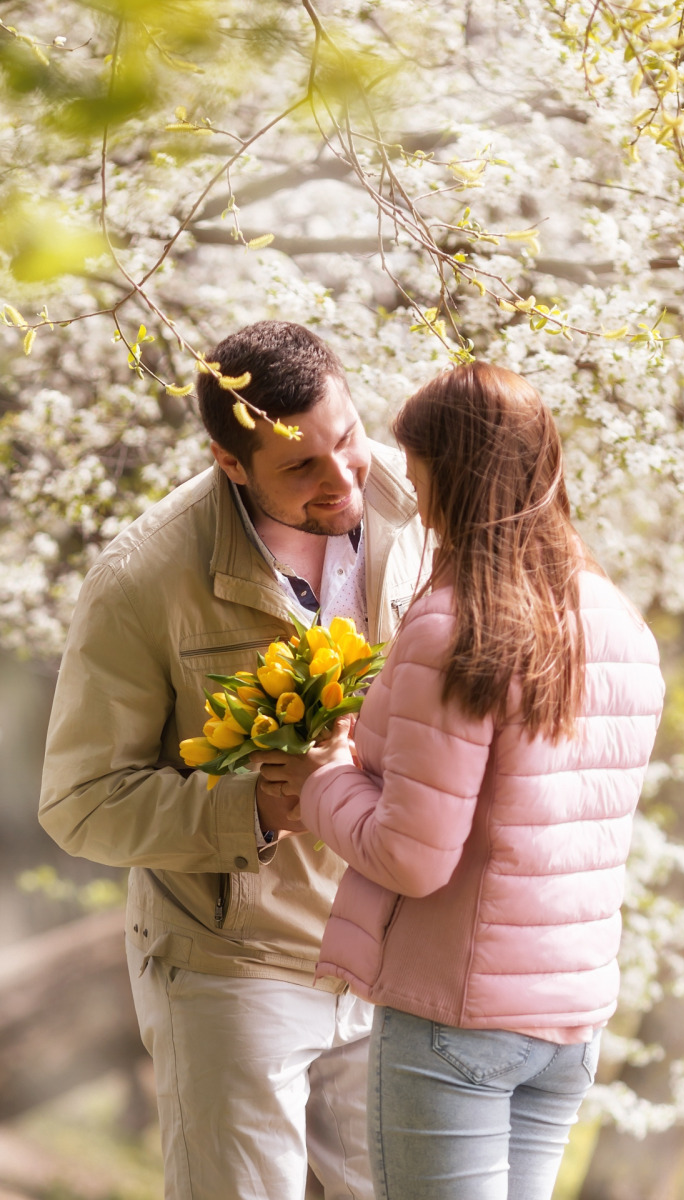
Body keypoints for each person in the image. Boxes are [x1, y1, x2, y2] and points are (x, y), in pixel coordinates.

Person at [256, 361, 666, 1200]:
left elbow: (412, 857)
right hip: (568, 1021)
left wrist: (324, 777)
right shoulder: (618, 622)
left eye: (419, 471)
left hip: (458, 1018)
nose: (413, 492)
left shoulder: (457, 624)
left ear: (451, 472)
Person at [38, 320, 428, 1200]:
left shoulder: (420, 510)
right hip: (230, 964)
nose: (343, 480)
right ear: (229, 461)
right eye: (302, 469)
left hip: (389, 960)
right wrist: (255, 808)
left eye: (348, 439)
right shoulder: (142, 576)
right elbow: (81, 801)